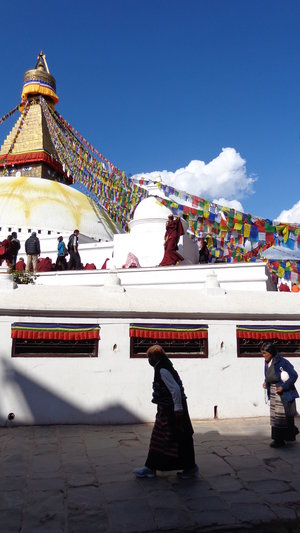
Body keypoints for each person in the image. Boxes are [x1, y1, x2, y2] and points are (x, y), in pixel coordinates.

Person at [134, 344, 198, 479]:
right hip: (169, 408)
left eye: (150, 357)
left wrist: (178, 410)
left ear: (156, 356)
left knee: (179, 437)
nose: (149, 360)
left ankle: (188, 468)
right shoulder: (164, 366)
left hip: (173, 410)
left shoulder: (162, 369)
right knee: (162, 438)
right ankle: (152, 467)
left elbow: (174, 389)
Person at [261, 341, 299, 448]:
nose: (263, 356)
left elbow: (294, 375)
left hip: (282, 393)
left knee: (280, 417)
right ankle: (289, 432)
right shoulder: (267, 362)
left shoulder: (282, 362)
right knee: (275, 416)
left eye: (265, 353)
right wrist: (266, 382)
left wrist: (283, 387)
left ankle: (279, 440)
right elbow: (270, 375)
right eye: (262, 353)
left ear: (271, 352)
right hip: (273, 392)